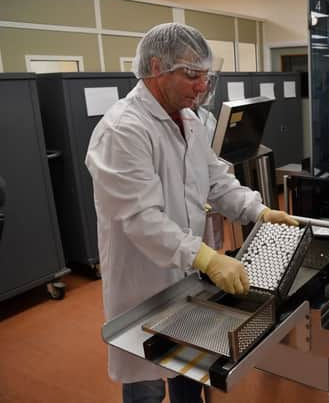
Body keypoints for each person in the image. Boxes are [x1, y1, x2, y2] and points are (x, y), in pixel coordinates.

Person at [85, 22, 297, 403]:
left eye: (207, 77)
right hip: (143, 282)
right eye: (192, 75)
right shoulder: (122, 130)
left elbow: (216, 179)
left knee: (191, 371)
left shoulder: (192, 120)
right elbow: (140, 218)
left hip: (186, 279)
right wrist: (207, 258)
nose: (202, 87)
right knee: (146, 384)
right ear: (155, 68)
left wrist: (260, 211)